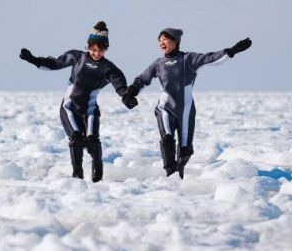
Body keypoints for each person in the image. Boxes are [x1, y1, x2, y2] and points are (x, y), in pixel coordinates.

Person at [123, 28, 252, 179]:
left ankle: (179, 170)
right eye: (159, 40)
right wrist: (131, 92)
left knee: (185, 150)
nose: (161, 43)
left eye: (164, 39)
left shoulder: (188, 59)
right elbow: (142, 79)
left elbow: (210, 58)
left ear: (175, 41)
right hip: (165, 108)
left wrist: (231, 51)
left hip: (186, 111)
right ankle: (170, 173)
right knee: (167, 140)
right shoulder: (158, 64)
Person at [20, 21, 138, 182]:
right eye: (93, 49)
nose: (96, 53)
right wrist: (33, 60)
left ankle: (98, 176)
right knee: (76, 139)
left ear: (106, 49)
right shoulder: (77, 57)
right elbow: (54, 64)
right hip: (69, 108)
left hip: (89, 111)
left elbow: (121, 87)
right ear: (88, 46)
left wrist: (127, 98)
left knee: (93, 142)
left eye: (101, 50)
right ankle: (77, 177)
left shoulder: (109, 68)